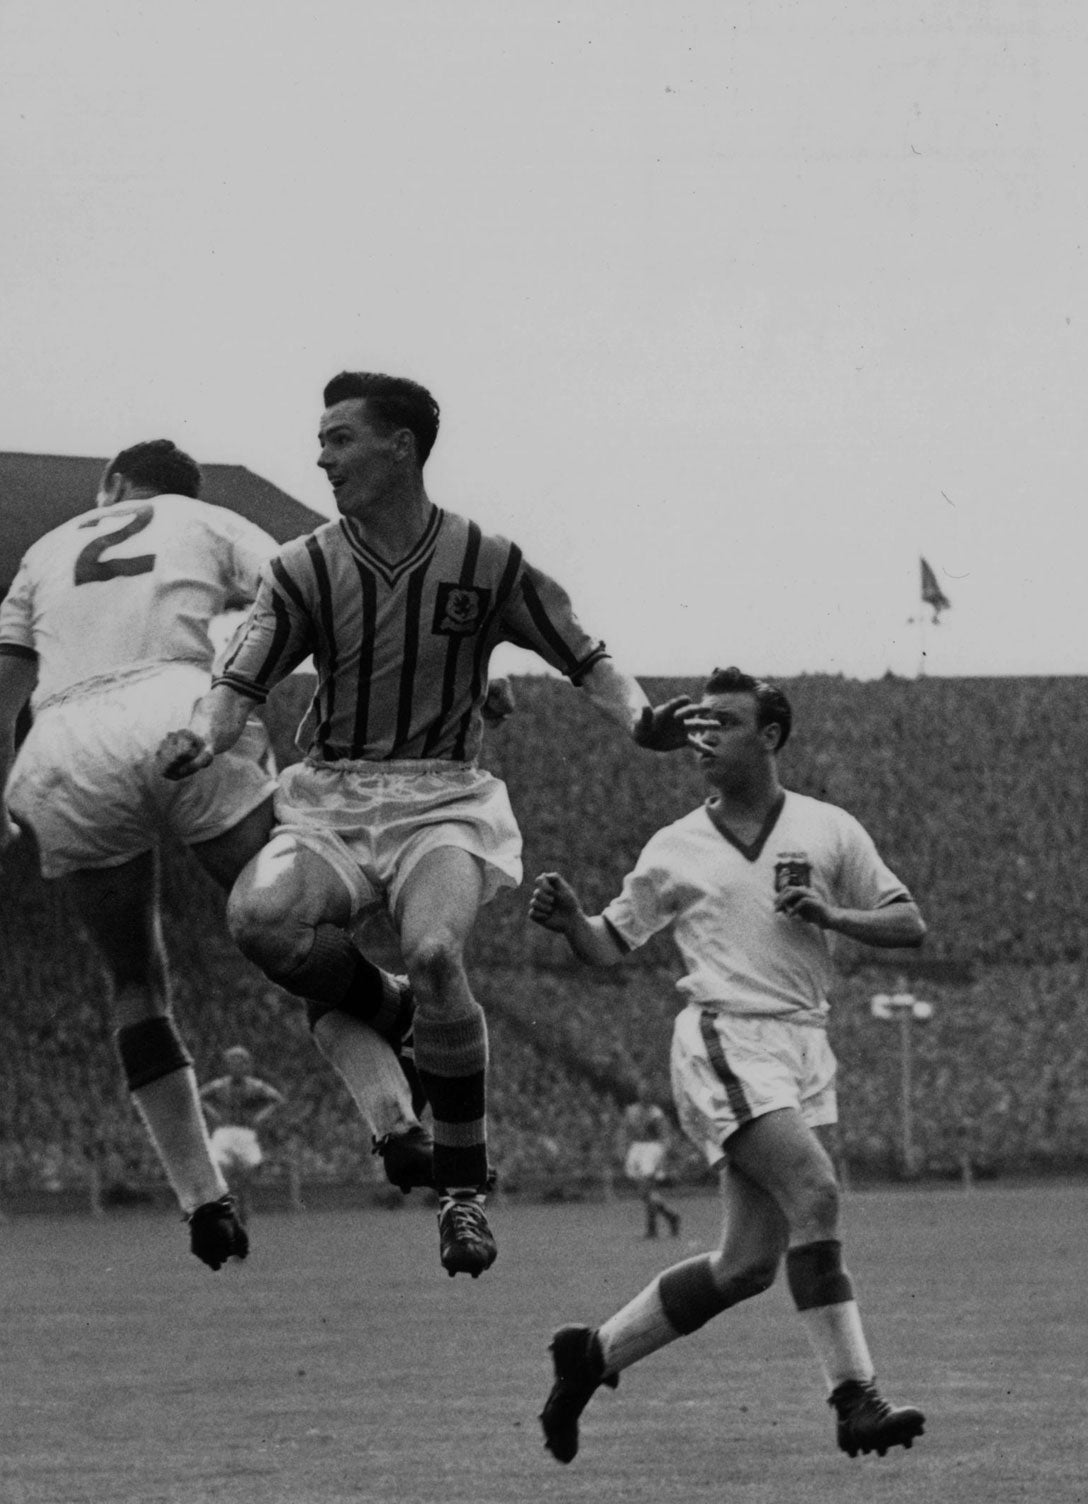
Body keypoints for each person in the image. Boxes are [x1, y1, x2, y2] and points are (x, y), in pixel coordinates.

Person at [162, 371, 696, 1277]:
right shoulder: (302, 568)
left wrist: (640, 719)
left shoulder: (488, 561)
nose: (321, 456)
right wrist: (200, 736)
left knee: (440, 952)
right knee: (258, 919)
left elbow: (587, 656)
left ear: (399, 446)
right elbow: (234, 687)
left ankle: (462, 1194)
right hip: (331, 798)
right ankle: (400, 1016)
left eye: (339, 439)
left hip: (444, 799)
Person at [0, 439, 418, 1271]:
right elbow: (320, 589)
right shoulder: (202, 517)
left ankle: (203, 1202)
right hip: (177, 706)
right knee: (291, 927)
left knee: (136, 983)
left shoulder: (43, 553)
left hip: (59, 747)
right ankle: (393, 1116)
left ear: (110, 485)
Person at [528, 668, 927, 1462]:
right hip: (726, 1038)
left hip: (804, 1046)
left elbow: (907, 921)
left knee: (746, 1266)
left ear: (771, 736)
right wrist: (576, 923)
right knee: (816, 1191)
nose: (705, 738)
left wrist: (832, 914)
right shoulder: (675, 846)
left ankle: (590, 1355)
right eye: (700, 724)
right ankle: (855, 1400)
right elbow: (611, 942)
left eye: (726, 724)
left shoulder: (826, 827)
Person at [196, 1046, 285, 1188]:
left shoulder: (255, 1086)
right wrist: (211, 1111)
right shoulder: (219, 1085)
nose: (236, 1066)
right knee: (220, 1167)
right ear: (227, 1065)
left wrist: (262, 1115)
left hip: (246, 1132)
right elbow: (198, 1096)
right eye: (232, 1062)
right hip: (224, 1132)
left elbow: (277, 1099)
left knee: (249, 1170)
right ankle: (225, 1202)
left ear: (246, 1065)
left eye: (240, 1062)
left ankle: (244, 1205)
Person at [620, 1085, 681, 1238]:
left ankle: (652, 1229)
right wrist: (624, 1148)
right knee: (645, 1192)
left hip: (651, 1149)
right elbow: (626, 1130)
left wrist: (662, 1155)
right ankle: (670, 1216)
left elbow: (664, 1135)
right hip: (637, 1149)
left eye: (647, 1093)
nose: (644, 1095)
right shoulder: (632, 1110)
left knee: (647, 1189)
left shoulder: (656, 1114)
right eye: (642, 1092)